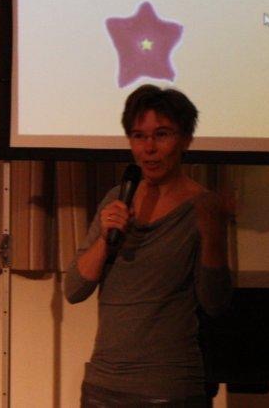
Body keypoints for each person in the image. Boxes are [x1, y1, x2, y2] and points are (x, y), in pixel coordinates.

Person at [65, 85, 233, 407]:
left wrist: (213, 238)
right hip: (102, 386)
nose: (149, 148)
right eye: (139, 136)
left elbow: (215, 303)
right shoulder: (117, 198)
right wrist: (104, 239)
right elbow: (73, 289)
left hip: (169, 390)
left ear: (185, 139)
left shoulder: (201, 207)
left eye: (162, 135)